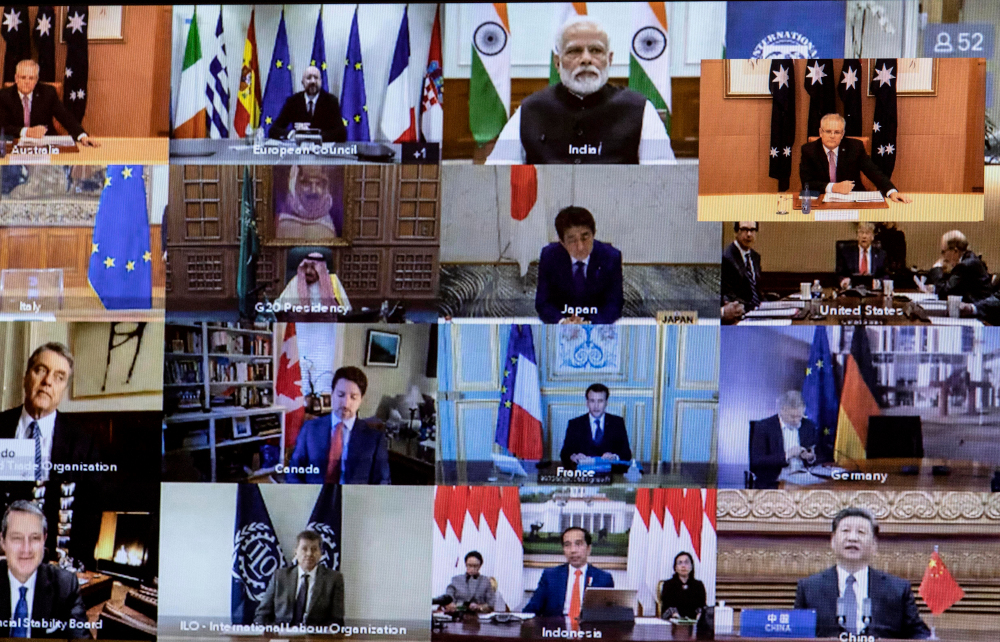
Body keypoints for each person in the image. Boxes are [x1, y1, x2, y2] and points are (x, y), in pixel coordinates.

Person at [486, 17, 675, 165]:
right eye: (574, 51)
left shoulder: (640, 110)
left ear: (609, 60)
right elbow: (498, 176)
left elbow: (662, 179)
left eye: (595, 50)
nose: (586, 59)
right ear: (557, 63)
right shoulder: (530, 110)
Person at [794, 508, 930, 639]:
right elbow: (796, 635)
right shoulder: (809, 588)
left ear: (874, 545)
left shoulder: (898, 589)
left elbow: (919, 635)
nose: (852, 538)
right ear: (833, 541)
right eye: (845, 531)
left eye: (861, 532)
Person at [0, 343, 98, 483]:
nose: (48, 381)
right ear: (26, 378)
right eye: (41, 370)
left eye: (59, 377)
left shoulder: (83, 443)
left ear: (64, 390)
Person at [0, 500, 87, 638]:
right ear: (3, 541)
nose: (26, 549)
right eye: (17, 538)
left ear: (44, 540)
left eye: (35, 538)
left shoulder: (66, 585)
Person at [288, 366, 390, 484]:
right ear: (332, 394)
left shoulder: (374, 439)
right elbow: (293, 472)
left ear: (361, 400)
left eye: (353, 397)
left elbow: (383, 482)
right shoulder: (310, 429)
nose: (346, 404)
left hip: (355, 500)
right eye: (341, 395)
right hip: (314, 498)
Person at [535, 206, 623, 325]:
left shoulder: (611, 257)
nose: (580, 247)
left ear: (593, 234)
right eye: (572, 240)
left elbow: (614, 304)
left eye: (585, 237)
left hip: (596, 327)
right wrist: (562, 321)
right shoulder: (550, 256)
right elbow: (543, 302)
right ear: (562, 242)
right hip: (563, 325)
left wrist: (589, 323)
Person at [799, 114, 910, 202]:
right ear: (820, 132)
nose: (832, 136)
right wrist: (833, 188)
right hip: (821, 200)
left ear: (842, 134)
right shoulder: (809, 150)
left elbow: (873, 172)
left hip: (853, 199)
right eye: (828, 131)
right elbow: (806, 183)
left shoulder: (855, 147)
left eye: (837, 132)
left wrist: (892, 191)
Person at [254, 530, 344, 627]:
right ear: (296, 552)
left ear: (320, 553)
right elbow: (262, 614)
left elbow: (337, 619)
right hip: (282, 635)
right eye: (304, 549)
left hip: (315, 637)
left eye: (314, 549)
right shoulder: (280, 576)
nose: (309, 554)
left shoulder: (333, 579)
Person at [0, 60, 98, 147]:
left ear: (36, 80)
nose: (27, 82)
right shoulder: (4, 96)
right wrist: (27, 132)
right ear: (16, 78)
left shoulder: (47, 93)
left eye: (31, 78)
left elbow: (65, 117)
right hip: (14, 146)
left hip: (45, 144)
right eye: (23, 77)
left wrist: (82, 136)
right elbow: (2, 125)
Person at [523, 526, 613, 617]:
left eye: (578, 544)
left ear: (588, 549)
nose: (573, 550)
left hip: (589, 629)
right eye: (567, 545)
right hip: (556, 629)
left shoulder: (604, 578)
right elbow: (531, 609)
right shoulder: (550, 576)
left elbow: (609, 616)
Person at [749, 391, 827, 489]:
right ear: (781, 411)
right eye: (792, 416)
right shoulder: (763, 427)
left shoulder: (808, 426)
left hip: (805, 479)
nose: (797, 420)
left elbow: (822, 455)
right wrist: (787, 455)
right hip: (775, 481)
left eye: (799, 416)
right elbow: (757, 461)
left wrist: (810, 457)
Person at [268, 66, 347, 143]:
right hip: (299, 152)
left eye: (316, 78)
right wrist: (293, 134)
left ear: (321, 81)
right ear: (302, 82)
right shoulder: (293, 101)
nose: (313, 81)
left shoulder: (330, 101)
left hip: (323, 152)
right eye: (309, 78)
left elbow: (341, 134)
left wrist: (315, 136)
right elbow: (273, 130)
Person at [560, 384, 631, 468]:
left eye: (600, 401)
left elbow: (627, 453)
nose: (596, 406)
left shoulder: (617, 423)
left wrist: (614, 457)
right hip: (584, 473)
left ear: (606, 403)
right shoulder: (575, 424)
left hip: (611, 473)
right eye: (592, 401)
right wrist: (573, 456)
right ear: (587, 403)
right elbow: (564, 453)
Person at [919, 231, 992, 303]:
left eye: (943, 252)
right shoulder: (968, 260)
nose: (943, 256)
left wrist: (937, 268)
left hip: (981, 311)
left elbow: (944, 293)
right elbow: (951, 287)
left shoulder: (965, 265)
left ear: (955, 251)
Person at [277, 166, 341, 240]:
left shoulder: (329, 225)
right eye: (306, 183)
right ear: (295, 185)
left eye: (318, 184)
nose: (313, 191)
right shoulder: (284, 224)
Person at [275, 252, 352, 314]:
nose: (308, 271)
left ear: (321, 269)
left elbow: (346, 309)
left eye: (313, 267)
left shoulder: (333, 281)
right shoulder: (296, 281)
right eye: (305, 267)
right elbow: (280, 306)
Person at [721, 222, 762, 314]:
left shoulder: (755, 257)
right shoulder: (726, 258)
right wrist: (752, 309)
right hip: (739, 313)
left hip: (758, 312)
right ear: (735, 232)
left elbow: (756, 291)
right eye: (744, 230)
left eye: (752, 230)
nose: (749, 234)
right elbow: (729, 295)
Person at [837, 222, 887, 289]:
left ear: (872, 237)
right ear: (857, 236)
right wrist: (843, 282)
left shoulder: (881, 254)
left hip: (874, 293)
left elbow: (886, 276)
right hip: (852, 293)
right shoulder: (846, 253)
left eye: (867, 233)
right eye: (861, 232)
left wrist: (878, 282)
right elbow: (839, 274)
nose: (864, 236)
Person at [659, 551, 706, 621]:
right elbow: (666, 606)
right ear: (675, 567)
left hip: (694, 622)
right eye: (680, 563)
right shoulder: (668, 585)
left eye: (686, 562)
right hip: (674, 622)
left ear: (691, 566)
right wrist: (676, 618)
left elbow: (702, 606)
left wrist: (699, 616)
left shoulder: (698, 585)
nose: (683, 566)